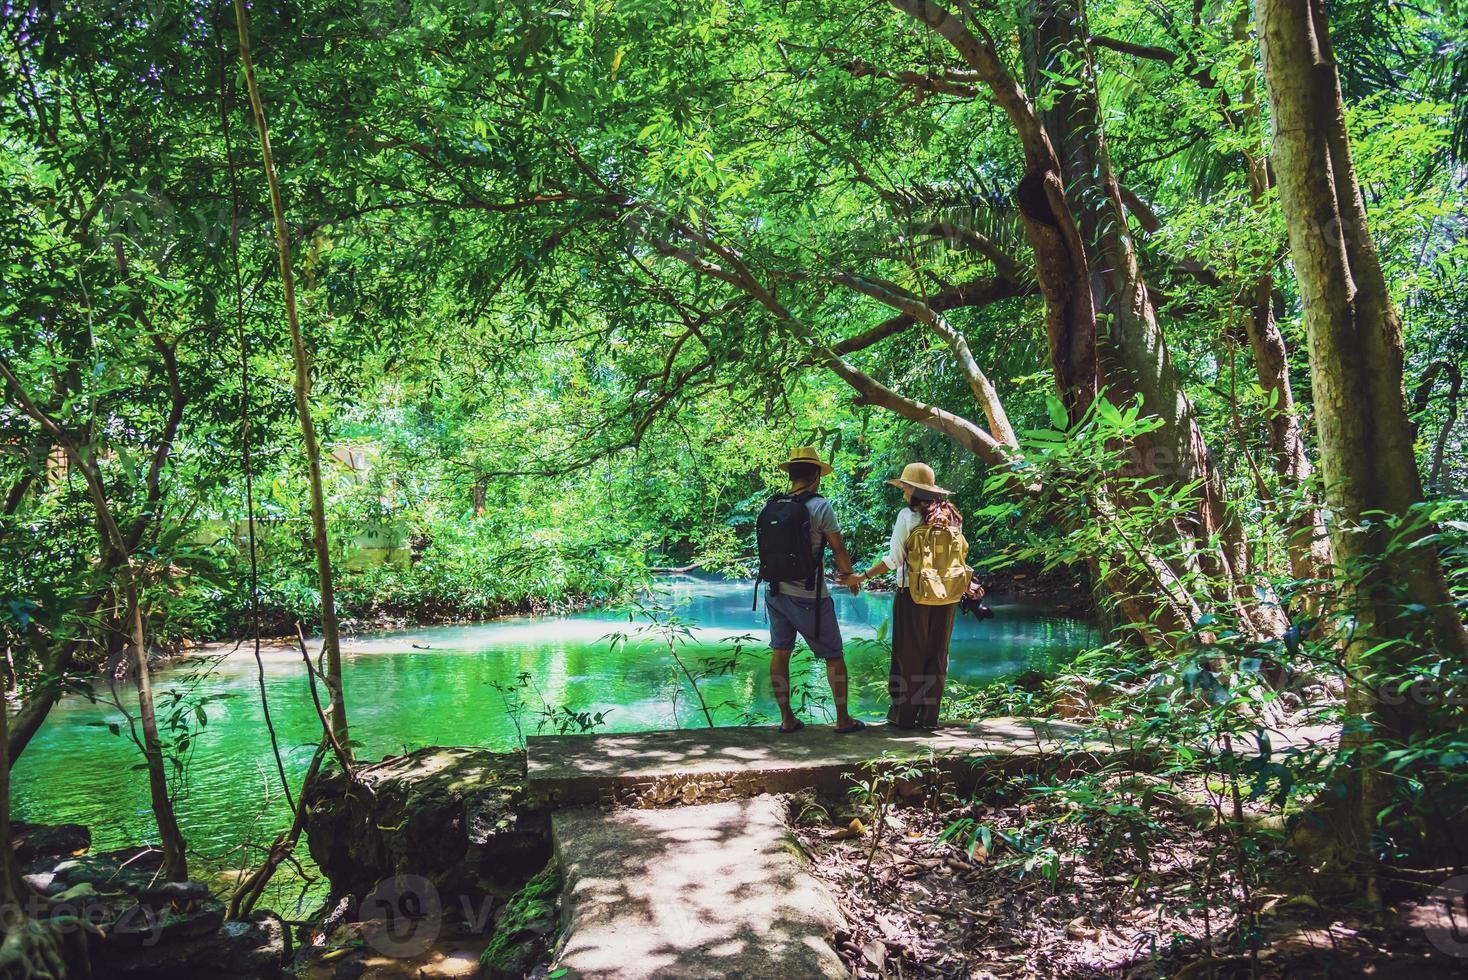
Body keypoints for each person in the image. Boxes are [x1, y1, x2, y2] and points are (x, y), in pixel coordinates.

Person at [845, 462, 964, 729]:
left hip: (913, 595)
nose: (903, 492)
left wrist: (862, 577)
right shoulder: (953, 516)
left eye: (905, 487)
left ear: (913, 490)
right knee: (937, 654)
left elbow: (894, 560)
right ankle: (930, 718)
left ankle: (905, 717)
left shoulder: (907, 517)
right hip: (947, 597)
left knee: (909, 654)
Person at [758, 447, 865, 734]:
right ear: (816, 475)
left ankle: (787, 719)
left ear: (791, 474)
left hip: (775, 593)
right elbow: (838, 549)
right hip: (810, 597)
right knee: (834, 655)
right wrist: (850, 578)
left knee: (780, 652)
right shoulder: (820, 506)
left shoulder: (771, 505)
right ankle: (843, 719)